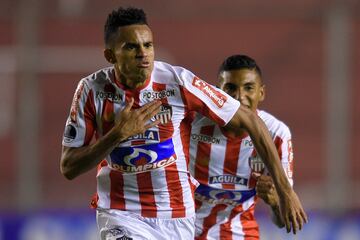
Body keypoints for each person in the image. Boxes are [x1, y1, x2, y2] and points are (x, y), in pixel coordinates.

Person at [60, 7, 306, 240]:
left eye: (148, 45)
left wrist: (284, 191)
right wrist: (117, 135)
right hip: (121, 212)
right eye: (131, 47)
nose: (143, 54)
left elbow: (250, 119)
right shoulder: (91, 90)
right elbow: (69, 167)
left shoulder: (177, 82)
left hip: (176, 215)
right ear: (110, 55)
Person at [189, 54, 294, 239]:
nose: (239, 97)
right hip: (184, 230)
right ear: (216, 91)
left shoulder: (277, 134)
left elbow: (282, 222)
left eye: (248, 88)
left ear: (261, 93)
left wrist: (275, 202)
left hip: (238, 233)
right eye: (230, 88)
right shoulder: (191, 125)